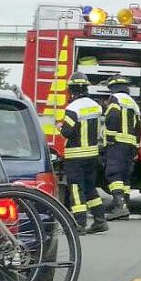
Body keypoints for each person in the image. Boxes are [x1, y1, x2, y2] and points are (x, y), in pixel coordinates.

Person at [60, 71, 108, 235]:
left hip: (75, 156)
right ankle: (100, 220)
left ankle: (79, 224)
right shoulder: (96, 106)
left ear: (72, 90)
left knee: (76, 189)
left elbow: (67, 132)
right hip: (92, 155)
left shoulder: (72, 108)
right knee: (90, 188)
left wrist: (59, 126)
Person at [102, 75, 141, 221]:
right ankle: (124, 205)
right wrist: (136, 146)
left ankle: (119, 206)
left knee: (113, 174)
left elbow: (112, 117)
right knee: (124, 176)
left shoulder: (115, 99)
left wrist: (110, 138)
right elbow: (138, 126)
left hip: (117, 143)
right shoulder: (133, 103)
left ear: (113, 87)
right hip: (130, 145)